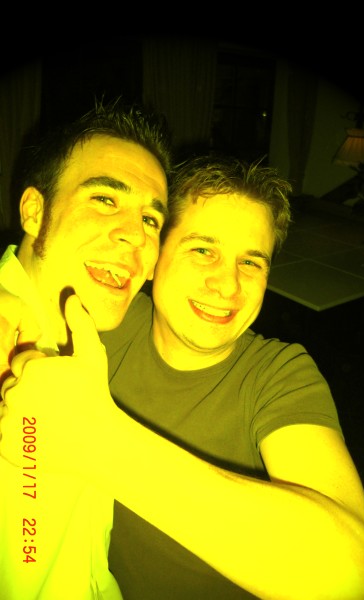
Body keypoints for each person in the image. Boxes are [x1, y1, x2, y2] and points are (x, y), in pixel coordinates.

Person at [1, 156, 364, 600]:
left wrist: (96, 442)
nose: (228, 286)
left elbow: (354, 582)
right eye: (203, 250)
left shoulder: (279, 375)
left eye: (251, 262)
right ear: (154, 257)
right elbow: (37, 268)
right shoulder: (105, 325)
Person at [0, 96, 171, 599]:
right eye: (105, 199)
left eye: (152, 220)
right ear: (35, 212)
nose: (135, 236)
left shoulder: (94, 334)